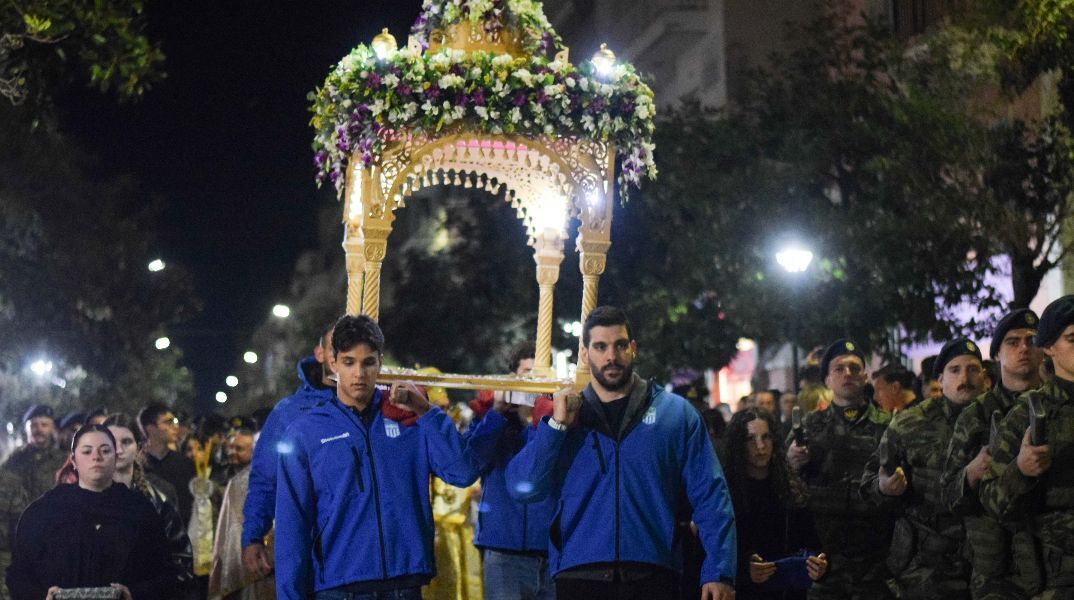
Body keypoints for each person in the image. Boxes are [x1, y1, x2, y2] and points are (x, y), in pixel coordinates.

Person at [505, 306, 736, 600]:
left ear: (633, 348)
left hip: (653, 575)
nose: (611, 356)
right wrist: (557, 426)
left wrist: (719, 570)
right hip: (579, 576)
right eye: (600, 347)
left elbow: (711, 495)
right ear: (585, 353)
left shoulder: (675, 414)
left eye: (620, 345)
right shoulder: (564, 417)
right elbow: (523, 488)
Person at [274, 314, 490, 600]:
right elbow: (292, 525)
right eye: (349, 362)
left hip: (404, 584)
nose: (359, 374)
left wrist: (425, 411)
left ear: (380, 363)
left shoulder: (411, 421)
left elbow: (463, 473)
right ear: (333, 363)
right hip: (338, 587)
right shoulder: (305, 432)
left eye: (368, 362)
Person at [862, 338, 986, 599]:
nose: (965, 378)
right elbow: (870, 481)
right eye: (955, 370)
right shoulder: (911, 423)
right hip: (928, 569)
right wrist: (884, 487)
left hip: (989, 563)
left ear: (984, 377)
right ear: (940, 380)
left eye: (973, 369)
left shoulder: (1002, 418)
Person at [940, 309, 1043, 599]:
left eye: (1031, 341)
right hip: (999, 572)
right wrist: (971, 473)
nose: (1024, 348)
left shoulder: (1058, 405)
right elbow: (948, 495)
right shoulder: (976, 416)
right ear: (997, 354)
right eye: (1013, 342)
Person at [6, 424, 176, 600]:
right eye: (87, 451)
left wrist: (134, 593)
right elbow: (20, 575)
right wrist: (41, 596)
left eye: (105, 451)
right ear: (74, 460)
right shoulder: (44, 512)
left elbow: (163, 574)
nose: (96, 457)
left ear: (115, 458)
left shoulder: (138, 510)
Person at [980, 295, 1074, 598]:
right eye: (1073, 339)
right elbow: (991, 501)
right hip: (1059, 578)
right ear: (1049, 348)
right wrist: (1020, 470)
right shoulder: (1028, 413)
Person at [785, 339, 894, 600]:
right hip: (822, 562)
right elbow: (783, 487)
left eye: (855, 368)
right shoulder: (808, 427)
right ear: (827, 380)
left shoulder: (890, 426)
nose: (847, 374)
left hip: (877, 561)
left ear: (865, 377)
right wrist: (791, 463)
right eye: (839, 368)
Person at [241, 324, 338, 580]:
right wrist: (253, 535)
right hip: (311, 552)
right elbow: (265, 479)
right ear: (319, 353)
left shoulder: (374, 408)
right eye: (336, 348)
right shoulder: (288, 413)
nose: (343, 358)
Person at [464, 342, 557, 600]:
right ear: (511, 378)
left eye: (541, 375)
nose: (534, 383)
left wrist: (543, 421)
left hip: (551, 552)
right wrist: (495, 413)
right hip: (504, 553)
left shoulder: (557, 422)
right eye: (527, 374)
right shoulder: (490, 419)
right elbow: (471, 461)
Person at [725, 408, 826, 600]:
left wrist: (819, 566)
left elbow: (813, 544)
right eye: (751, 439)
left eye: (766, 437)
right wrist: (744, 569)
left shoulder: (790, 489)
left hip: (788, 593)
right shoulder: (727, 492)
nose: (760, 446)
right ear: (739, 444)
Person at [103, 413, 195, 594]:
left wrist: (140, 591)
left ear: (140, 446)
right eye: (110, 443)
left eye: (126, 442)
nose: (118, 450)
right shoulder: (84, 495)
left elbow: (180, 558)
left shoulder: (160, 495)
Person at [209, 423, 273, 600]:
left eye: (240, 448)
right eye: (231, 448)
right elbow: (230, 530)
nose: (232, 453)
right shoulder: (235, 482)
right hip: (248, 565)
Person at [139, 403, 197, 525]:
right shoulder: (139, 464)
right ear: (150, 428)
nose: (175, 427)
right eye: (168, 422)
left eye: (175, 422)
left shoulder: (184, 463)